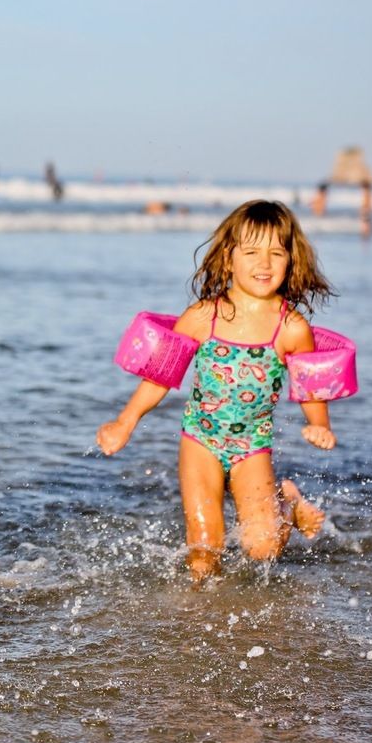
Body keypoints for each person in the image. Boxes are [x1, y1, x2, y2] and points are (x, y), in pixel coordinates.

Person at [97, 200, 334, 581]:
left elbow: (310, 386)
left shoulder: (291, 328)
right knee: (205, 546)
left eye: (276, 253)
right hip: (201, 441)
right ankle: (196, 614)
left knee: (262, 548)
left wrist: (319, 424)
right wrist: (125, 422)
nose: (265, 263)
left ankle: (288, 503)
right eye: (252, 252)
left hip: (251, 445)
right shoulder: (202, 317)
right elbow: (160, 376)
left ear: (291, 260)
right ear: (229, 257)